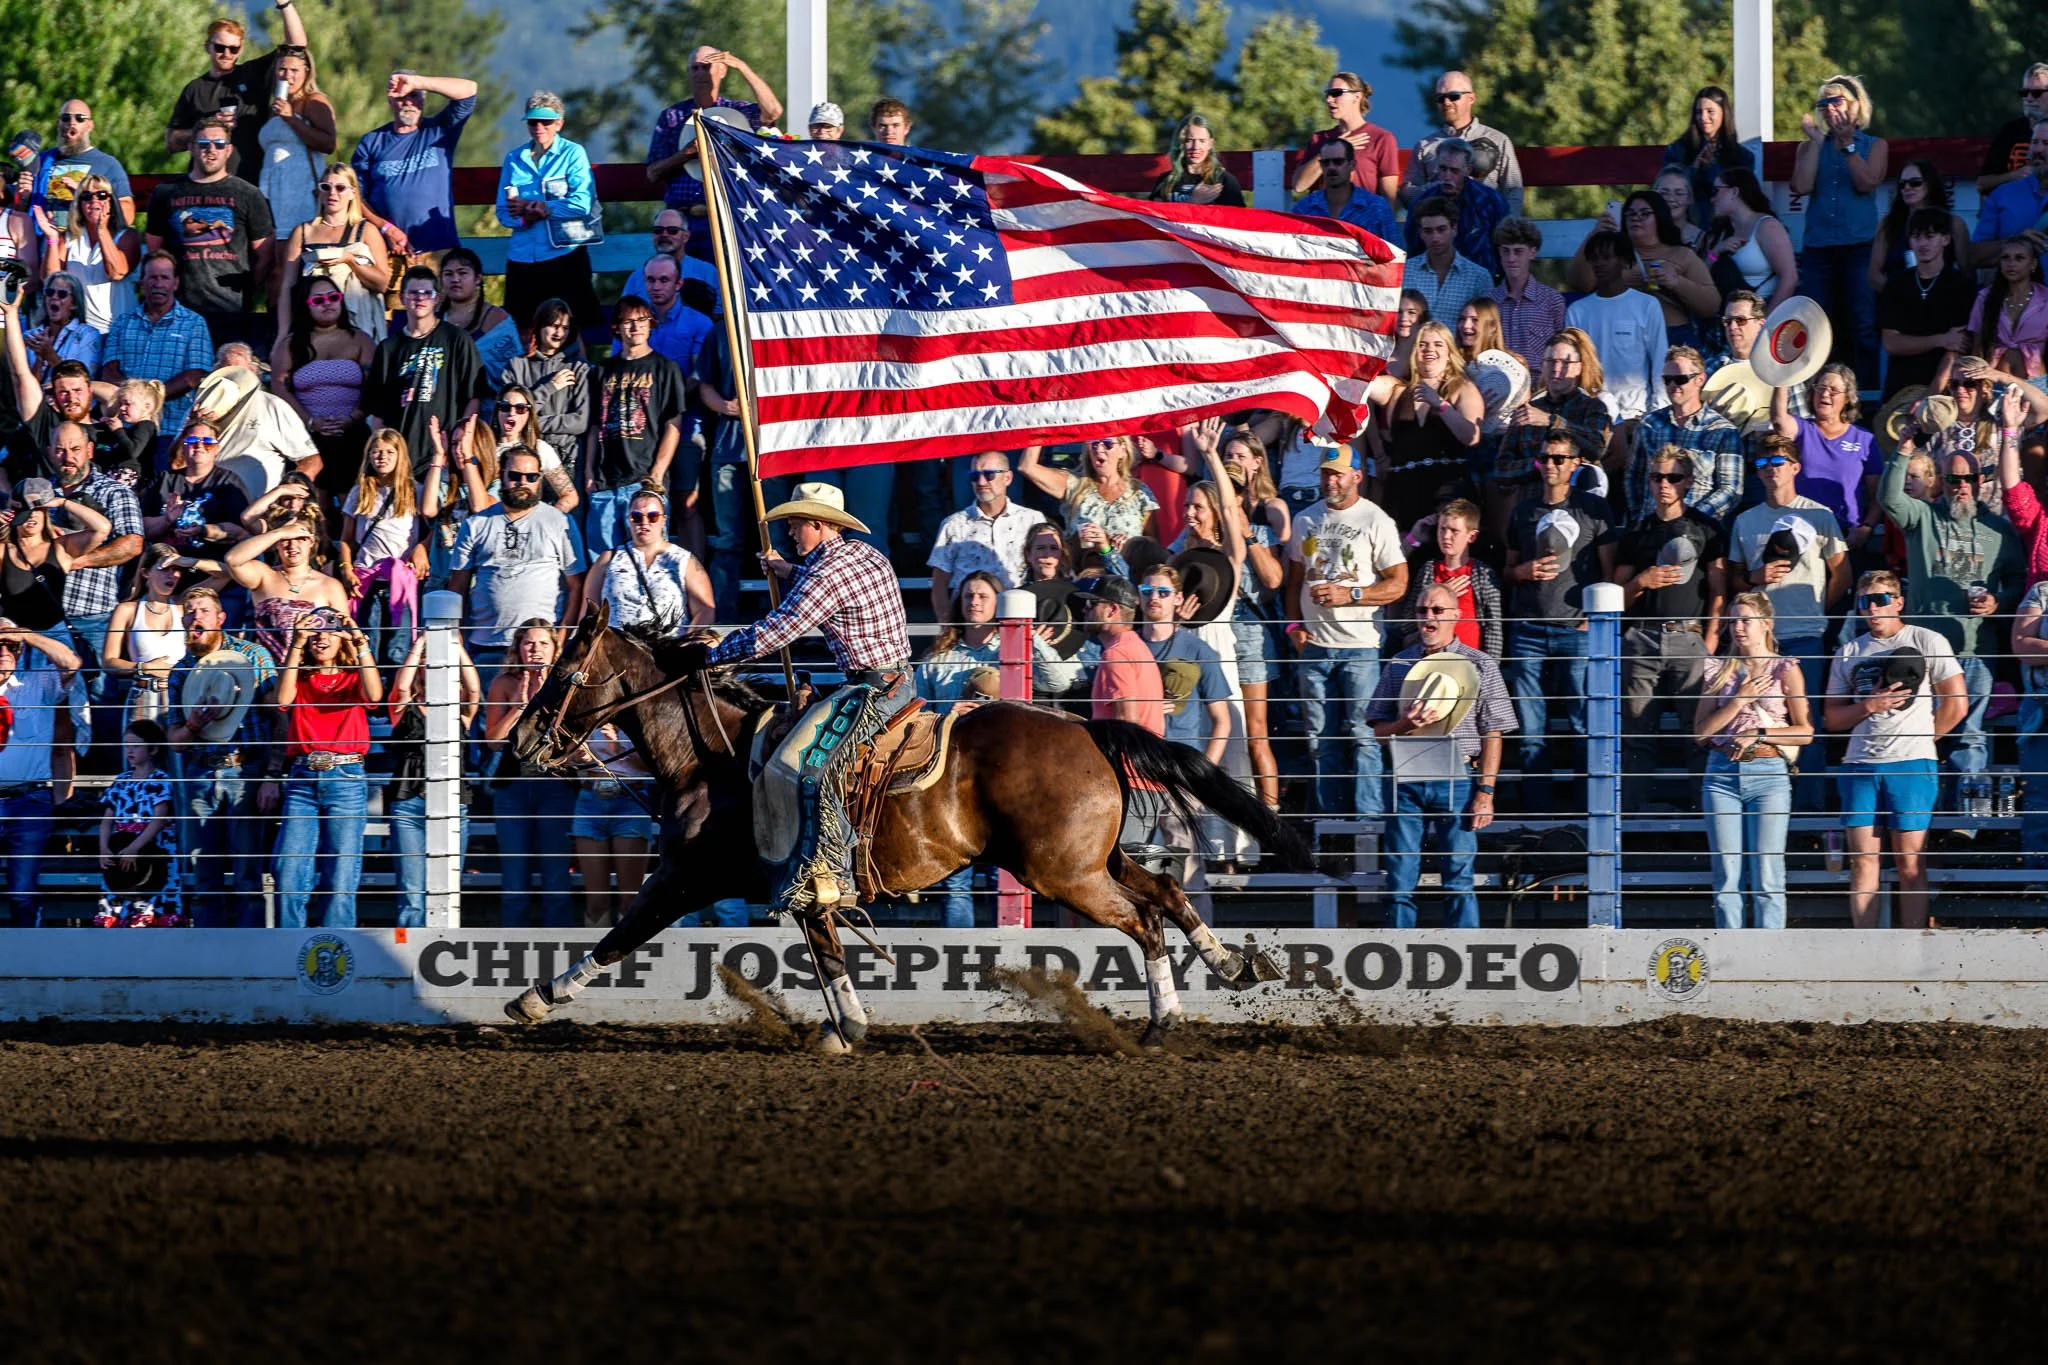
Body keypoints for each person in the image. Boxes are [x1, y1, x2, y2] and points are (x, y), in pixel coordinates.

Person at [663, 481, 915, 911]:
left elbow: (777, 630)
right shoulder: (861, 555)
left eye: (796, 524)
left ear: (819, 525)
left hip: (872, 689)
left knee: (805, 765)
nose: (790, 533)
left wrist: (713, 655)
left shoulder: (828, 575)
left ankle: (836, 868)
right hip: (892, 679)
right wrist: (787, 571)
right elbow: (826, 587)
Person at [1879, 438, 2024, 802]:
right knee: (1914, 731)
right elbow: (1889, 498)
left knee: (1970, 735)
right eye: (1953, 479)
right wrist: (1903, 451)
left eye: (1968, 479)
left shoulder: (1999, 530)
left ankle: (1966, 824)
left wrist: (1998, 602)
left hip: (1975, 648)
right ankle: (1919, 817)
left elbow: (2019, 582)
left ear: (1980, 482)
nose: (1961, 486)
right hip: (1923, 649)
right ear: (1939, 482)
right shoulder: (1923, 516)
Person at [1367, 583, 1515, 928]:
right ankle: (1397, 953)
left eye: (1437, 611)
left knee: (1459, 877)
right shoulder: (1399, 663)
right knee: (1400, 877)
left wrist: (1486, 792)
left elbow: (1494, 732)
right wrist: (1406, 723)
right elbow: (1377, 731)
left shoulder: (1480, 664)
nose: (1428, 618)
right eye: (1422, 611)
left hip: (1459, 775)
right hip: (1407, 776)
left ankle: (1465, 957)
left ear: (1456, 616)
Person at [1826, 571, 1966, 928]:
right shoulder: (1849, 650)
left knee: (1910, 863)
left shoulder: (1926, 640)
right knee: (1863, 862)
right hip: (1860, 764)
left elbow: (1956, 703)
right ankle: (1866, 950)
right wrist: (1868, 707)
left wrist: (1921, 740)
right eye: (1864, 602)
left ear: (1899, 601)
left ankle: (1912, 952)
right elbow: (1832, 718)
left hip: (1911, 764)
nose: (1873, 608)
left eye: (1881, 599)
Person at [1284, 446, 1406, 819]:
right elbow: (1295, 581)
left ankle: (1368, 825)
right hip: (1315, 645)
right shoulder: (1305, 520)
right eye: (1325, 473)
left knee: (1363, 736)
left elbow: (1398, 582)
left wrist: (1352, 594)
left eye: (1337, 474)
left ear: (1357, 475)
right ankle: (1329, 827)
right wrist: (1292, 627)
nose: (1330, 480)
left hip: (1360, 647)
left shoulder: (1376, 519)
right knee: (1320, 739)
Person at [1504, 430, 1616, 815]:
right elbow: (1508, 570)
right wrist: (1523, 570)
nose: (1550, 464)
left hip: (1576, 629)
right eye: (1545, 457)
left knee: (1584, 725)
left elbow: (1610, 573)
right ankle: (1538, 816)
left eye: (1559, 458)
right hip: (1528, 629)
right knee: (1531, 732)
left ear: (1574, 464)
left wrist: (1592, 620)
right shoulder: (1522, 509)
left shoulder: (1594, 510)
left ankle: (1592, 811)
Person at [1611, 445, 1729, 807]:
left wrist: (1710, 638)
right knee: (1635, 731)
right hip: (1642, 635)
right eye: (1657, 477)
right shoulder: (1637, 531)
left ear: (1689, 482)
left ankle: (1703, 813)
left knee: (1698, 730)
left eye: (1673, 477)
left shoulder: (1706, 529)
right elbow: (1616, 597)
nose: (1664, 484)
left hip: (1689, 636)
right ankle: (1630, 819)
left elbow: (1719, 590)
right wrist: (1641, 582)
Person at [1693, 593, 1811, 929]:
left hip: (1768, 771)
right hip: (1721, 774)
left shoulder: (1784, 669)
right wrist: (1738, 701)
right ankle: (1731, 953)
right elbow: (1700, 732)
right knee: (1727, 874)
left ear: (1766, 624)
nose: (1738, 627)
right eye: (1733, 620)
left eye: (1745, 619)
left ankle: (1768, 959)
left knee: (1768, 872)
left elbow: (1805, 732)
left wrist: (1759, 731)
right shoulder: (1718, 668)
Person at [163, 585, 278, 927]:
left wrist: (272, 775)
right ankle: (208, 960)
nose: (195, 616)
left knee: (247, 874)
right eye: (190, 611)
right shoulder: (181, 671)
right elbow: (175, 740)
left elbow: (279, 717)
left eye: (203, 610)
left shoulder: (253, 656)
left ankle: (251, 958)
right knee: (204, 875)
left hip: (246, 770)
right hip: (201, 775)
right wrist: (194, 725)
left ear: (220, 618)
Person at [272, 609, 380, 928]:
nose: (322, 637)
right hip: (303, 779)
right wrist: (297, 641)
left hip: (345, 778)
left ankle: (338, 955)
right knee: (289, 871)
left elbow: (374, 695)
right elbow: (281, 699)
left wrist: (358, 639)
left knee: (342, 874)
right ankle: (288, 949)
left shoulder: (353, 675)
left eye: (331, 632)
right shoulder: (300, 678)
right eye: (316, 633)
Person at [1731, 431, 1851, 712]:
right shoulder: (1744, 521)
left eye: (1777, 461)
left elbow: (1843, 575)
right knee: (1759, 717)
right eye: (1762, 464)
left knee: (1806, 720)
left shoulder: (1820, 515)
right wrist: (1753, 578)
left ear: (1795, 468)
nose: (1770, 469)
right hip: (1758, 639)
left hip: (1804, 634)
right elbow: (1733, 580)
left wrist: (1818, 608)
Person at [143, 116, 275, 348]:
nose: (211, 150)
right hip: (178, 311)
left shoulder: (249, 194)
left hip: (231, 310)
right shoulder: (165, 193)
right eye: (204, 144)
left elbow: (264, 253)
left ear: (229, 150)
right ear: (192, 148)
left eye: (219, 144)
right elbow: (155, 250)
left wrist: (247, 287)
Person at [1790, 75, 1887, 388]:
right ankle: (1813, 392)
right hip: (1819, 249)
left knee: (1861, 323)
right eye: (1824, 103)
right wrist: (1819, 143)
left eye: (1837, 101)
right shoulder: (1811, 147)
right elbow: (1801, 186)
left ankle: (1868, 395)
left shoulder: (1875, 145)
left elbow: (1867, 182)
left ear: (1856, 105)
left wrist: (1847, 147)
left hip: (1859, 248)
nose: (1830, 109)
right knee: (1815, 324)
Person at [447, 446, 584, 664]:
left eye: (531, 477)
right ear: (502, 475)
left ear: (540, 479)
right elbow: (457, 586)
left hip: (541, 646)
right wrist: (456, 637)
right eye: (514, 475)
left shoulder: (560, 522)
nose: (523, 483)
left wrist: (562, 637)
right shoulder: (475, 524)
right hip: (485, 645)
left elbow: (576, 585)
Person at [481, 619, 577, 927]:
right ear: (518, 649)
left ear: (555, 649)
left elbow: (576, 740)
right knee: (514, 878)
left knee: (556, 877)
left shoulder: (567, 684)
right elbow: (494, 741)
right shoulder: (504, 683)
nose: (535, 650)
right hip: (513, 788)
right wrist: (518, 707)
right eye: (528, 643)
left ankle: (561, 949)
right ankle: (511, 948)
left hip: (556, 786)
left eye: (543, 644)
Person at [384, 627, 480, 927]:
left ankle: (443, 949)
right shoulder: (404, 706)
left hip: (453, 803)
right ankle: (407, 955)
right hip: (409, 802)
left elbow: (474, 687)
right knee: (412, 891)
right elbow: (402, 686)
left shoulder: (460, 709)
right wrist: (422, 643)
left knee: (448, 889)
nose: (434, 664)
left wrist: (454, 646)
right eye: (428, 660)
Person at [644, 46, 782, 250]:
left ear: (722, 71)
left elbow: (772, 112)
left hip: (729, 219)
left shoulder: (738, 112)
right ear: (689, 74)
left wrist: (742, 67)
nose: (701, 73)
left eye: (707, 67)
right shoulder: (672, 117)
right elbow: (653, 173)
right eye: (695, 68)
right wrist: (686, 154)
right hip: (683, 223)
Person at [585, 296, 687, 557]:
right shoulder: (601, 371)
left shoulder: (666, 369)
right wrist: (588, 471)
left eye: (642, 320)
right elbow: (595, 426)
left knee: (650, 560)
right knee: (602, 561)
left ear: (651, 324)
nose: (636, 327)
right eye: (628, 321)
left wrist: (657, 473)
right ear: (616, 327)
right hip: (605, 482)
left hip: (645, 481)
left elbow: (673, 424)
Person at [494, 92, 601, 336]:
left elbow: (582, 203)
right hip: (523, 257)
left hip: (565, 254)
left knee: (571, 331)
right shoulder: (513, 159)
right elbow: (503, 211)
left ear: (559, 123)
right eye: (533, 122)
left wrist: (544, 209)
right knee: (523, 331)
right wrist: (525, 217)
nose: (539, 127)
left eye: (546, 121)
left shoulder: (574, 153)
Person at [1491, 329, 1613, 542]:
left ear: (1579, 368)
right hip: (1533, 511)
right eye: (1550, 361)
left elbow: (1597, 446)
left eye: (1566, 363)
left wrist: (1552, 421)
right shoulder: (1526, 411)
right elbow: (1501, 469)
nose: (1557, 369)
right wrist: (1540, 465)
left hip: (1579, 514)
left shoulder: (1593, 407)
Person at [350, 70, 480, 267]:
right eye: (401, 97)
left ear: (423, 99)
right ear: (391, 101)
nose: (408, 103)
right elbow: (356, 196)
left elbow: (469, 90)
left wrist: (418, 82)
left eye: (414, 96)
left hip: (439, 251)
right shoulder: (372, 141)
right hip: (390, 252)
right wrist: (386, 229)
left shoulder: (439, 130)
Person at [364, 265, 485, 473]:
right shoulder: (388, 348)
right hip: (400, 457)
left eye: (427, 293)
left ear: (437, 298)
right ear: (402, 298)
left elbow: (474, 396)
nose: (419, 298)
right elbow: (377, 412)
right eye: (412, 293)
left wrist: (461, 440)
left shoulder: (456, 339)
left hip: (443, 452)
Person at [0, 620, 82, 925]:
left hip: (28, 801)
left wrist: (24, 634)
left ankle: (27, 958)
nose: (5, 651)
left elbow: (71, 662)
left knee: (22, 893)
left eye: (11, 646)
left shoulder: (37, 684)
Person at [1366, 321, 1482, 535]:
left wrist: (1440, 404)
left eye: (1438, 344)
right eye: (1422, 344)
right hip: (1402, 492)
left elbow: (1471, 437)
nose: (1430, 349)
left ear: (1449, 352)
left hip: (1446, 492)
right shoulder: (1398, 389)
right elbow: (1362, 384)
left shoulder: (1462, 388)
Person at [165, 6, 311, 174]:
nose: (227, 54)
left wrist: (284, 4)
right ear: (208, 47)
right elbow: (171, 142)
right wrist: (206, 128)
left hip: (250, 181)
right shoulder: (194, 88)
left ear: (240, 49)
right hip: (205, 183)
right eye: (220, 48)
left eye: (233, 49)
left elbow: (297, 44)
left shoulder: (253, 73)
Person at [1567, 191, 1719, 347]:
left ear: (1660, 217)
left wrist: (1676, 282)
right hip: (1619, 336)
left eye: (1644, 213)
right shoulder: (1610, 255)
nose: (1635, 218)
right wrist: (1594, 235)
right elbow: (1579, 283)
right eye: (1630, 213)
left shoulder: (1682, 255)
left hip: (1672, 337)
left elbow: (1711, 305)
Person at [271, 273, 372, 498]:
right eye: (318, 300)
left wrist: (354, 417)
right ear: (305, 306)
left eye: (332, 297)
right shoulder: (290, 344)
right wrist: (310, 421)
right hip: (307, 437)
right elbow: (279, 388)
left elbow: (374, 386)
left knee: (353, 501)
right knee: (316, 504)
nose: (327, 303)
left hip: (353, 434)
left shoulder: (360, 339)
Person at [1769, 364, 1882, 558]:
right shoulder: (1803, 430)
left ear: (1848, 398)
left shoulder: (1864, 439)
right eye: (1820, 388)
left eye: (1834, 390)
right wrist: (1782, 378)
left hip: (1846, 537)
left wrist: (1866, 528)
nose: (1825, 394)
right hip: (1801, 532)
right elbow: (1779, 420)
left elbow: (1877, 495)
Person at [99, 252, 214, 437]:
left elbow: (195, 375)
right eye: (152, 277)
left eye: (164, 278)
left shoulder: (194, 323)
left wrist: (150, 400)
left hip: (172, 427)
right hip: (125, 428)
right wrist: (134, 402)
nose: (158, 284)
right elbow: (109, 372)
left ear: (175, 283)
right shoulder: (122, 323)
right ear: (142, 282)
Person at [1624, 344, 1742, 521]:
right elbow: (1634, 476)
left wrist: (1692, 518)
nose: (1673, 385)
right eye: (1667, 379)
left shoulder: (1722, 430)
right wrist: (1638, 516)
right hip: (1652, 527)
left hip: (1698, 530)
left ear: (1700, 379)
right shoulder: (1648, 424)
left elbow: (1730, 490)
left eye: (1680, 379)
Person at [278, 164, 390, 342]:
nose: (332, 193)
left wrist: (350, 260)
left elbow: (382, 283)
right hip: (312, 325)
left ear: (353, 193)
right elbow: (287, 286)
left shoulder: (367, 230)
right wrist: (283, 333)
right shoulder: (302, 231)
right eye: (326, 187)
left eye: (340, 188)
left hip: (356, 326)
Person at [1567, 230, 1667, 426]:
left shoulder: (1647, 305)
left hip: (1636, 415)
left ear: (1623, 260)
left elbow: (1660, 361)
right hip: (1590, 416)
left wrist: (1656, 416)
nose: (1599, 263)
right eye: (1594, 258)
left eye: (1606, 257)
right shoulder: (1577, 311)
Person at [338, 428, 422, 663]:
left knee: (398, 649)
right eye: (376, 452)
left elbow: (429, 529)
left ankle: (395, 698)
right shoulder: (360, 491)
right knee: (367, 646)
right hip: (367, 580)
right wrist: (346, 568)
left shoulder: (415, 490)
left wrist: (420, 549)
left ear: (400, 456)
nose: (382, 457)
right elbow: (347, 538)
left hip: (399, 580)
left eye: (388, 452)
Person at [586, 483, 714, 636]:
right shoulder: (607, 559)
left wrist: (687, 643)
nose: (644, 522)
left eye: (653, 516)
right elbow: (588, 611)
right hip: (618, 652)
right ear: (629, 519)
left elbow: (705, 609)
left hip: (667, 650)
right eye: (636, 517)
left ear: (663, 519)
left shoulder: (684, 560)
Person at [1877, 209, 1977, 399]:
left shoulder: (1961, 284)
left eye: (1930, 236)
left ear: (1945, 239)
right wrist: (1940, 339)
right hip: (1898, 390)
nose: (1922, 243)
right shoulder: (1896, 284)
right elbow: (1891, 343)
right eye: (1916, 237)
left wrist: (1930, 397)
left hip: (1945, 393)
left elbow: (1955, 348)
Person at [927, 451, 1039, 620]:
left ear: (1007, 478)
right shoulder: (953, 524)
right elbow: (939, 584)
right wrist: (947, 627)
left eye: (989, 475)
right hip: (969, 623)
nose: (981, 482)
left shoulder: (1032, 519)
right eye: (974, 476)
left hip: (1017, 620)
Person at [94, 719, 182, 927]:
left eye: (136, 745)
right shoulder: (121, 780)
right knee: (120, 888)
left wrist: (136, 847)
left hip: (151, 849)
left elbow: (159, 818)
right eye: (127, 745)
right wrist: (104, 848)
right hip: (122, 847)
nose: (130, 750)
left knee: (151, 893)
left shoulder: (160, 780)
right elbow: (108, 818)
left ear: (152, 749)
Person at [1017, 437, 1160, 562]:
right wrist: (1039, 426)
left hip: (1125, 576)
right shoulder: (1075, 485)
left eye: (1107, 444)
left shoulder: (1139, 492)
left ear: (1122, 450)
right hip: (1082, 574)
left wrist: (1132, 543)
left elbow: (1153, 542)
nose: (1099, 449)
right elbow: (1026, 467)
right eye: (1094, 443)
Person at [1402, 70, 1523, 214]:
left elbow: (1513, 190)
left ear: (1471, 98)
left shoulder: (1498, 140)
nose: (1446, 102)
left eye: (1454, 96)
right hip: (1440, 228)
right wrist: (1437, 188)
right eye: (1440, 98)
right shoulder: (1424, 146)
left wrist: (1504, 224)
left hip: (1485, 223)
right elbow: (1408, 193)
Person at [1397, 498, 1503, 658]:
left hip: (1470, 663)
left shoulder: (1482, 574)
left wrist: (1489, 667)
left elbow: (1493, 629)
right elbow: (1408, 624)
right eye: (1442, 529)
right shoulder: (1428, 571)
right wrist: (1442, 595)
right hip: (1429, 660)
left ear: (1472, 536)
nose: (1446, 536)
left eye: (1454, 531)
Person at [103, 545, 194, 722]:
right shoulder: (127, 610)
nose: (172, 575)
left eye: (176, 569)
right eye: (165, 568)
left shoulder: (183, 606)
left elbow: (224, 573)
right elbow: (108, 662)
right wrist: (144, 667)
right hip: (142, 694)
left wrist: (188, 562)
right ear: (146, 573)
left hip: (180, 694)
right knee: (138, 749)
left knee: (178, 749)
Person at [36, 175, 137, 335]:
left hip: (117, 329)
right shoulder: (69, 237)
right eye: (86, 196)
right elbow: (51, 279)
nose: (94, 201)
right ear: (79, 204)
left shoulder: (126, 236)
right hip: (79, 331)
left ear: (112, 201)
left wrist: (102, 230)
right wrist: (52, 238)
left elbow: (116, 272)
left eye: (102, 195)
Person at [255, 44, 335, 243]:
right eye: (282, 69)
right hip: (272, 191)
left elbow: (328, 144)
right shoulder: (274, 107)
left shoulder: (314, 101)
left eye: (294, 70)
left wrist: (292, 118)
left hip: (299, 192)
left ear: (306, 72)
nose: (287, 76)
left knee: (289, 255)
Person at [1402, 139, 1507, 277]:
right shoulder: (1422, 203)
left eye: (1454, 171)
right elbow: (1413, 248)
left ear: (1467, 170)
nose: (1447, 176)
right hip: (1433, 279)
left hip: (1481, 280)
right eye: (1443, 169)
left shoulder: (1489, 200)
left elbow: (1504, 244)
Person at [505, 299, 592, 463]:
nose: (559, 333)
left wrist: (531, 422)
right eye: (553, 326)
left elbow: (581, 421)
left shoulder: (580, 367)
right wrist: (550, 387)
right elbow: (510, 415)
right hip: (525, 458)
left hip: (568, 458)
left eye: (565, 328)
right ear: (539, 326)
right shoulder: (516, 366)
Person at [1292, 72, 1401, 203]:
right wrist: (1330, 151)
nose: (1329, 99)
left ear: (1357, 96)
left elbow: (1389, 196)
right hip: (1325, 220)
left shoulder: (1382, 138)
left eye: (1336, 93)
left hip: (1363, 219)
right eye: (1327, 94)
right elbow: (1299, 185)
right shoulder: (1319, 139)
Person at [1702, 168, 1798, 315]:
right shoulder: (1719, 233)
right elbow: (1702, 277)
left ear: (1734, 192)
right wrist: (1716, 252)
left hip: (1760, 314)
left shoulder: (1767, 226)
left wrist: (1765, 320)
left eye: (1716, 191)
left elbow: (1789, 278)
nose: (1711, 199)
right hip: (1728, 319)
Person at [1870, 159, 1972, 297]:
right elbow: (1874, 275)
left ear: (1930, 184)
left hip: (1942, 300)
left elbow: (1966, 272)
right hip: (1898, 302)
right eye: (1902, 184)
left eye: (1915, 183)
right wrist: (1902, 296)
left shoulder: (1954, 224)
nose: (1907, 188)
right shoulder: (1888, 224)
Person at [1662, 86, 1754, 232]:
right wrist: (1695, 167)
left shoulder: (1741, 156)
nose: (1703, 118)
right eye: (1699, 112)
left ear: (1724, 113)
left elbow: (1744, 197)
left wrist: (1712, 169)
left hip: (1726, 228)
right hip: (1685, 227)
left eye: (1710, 112)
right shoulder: (1677, 150)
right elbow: (1667, 186)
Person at [34, 100, 136, 228]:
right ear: (58, 123)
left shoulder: (108, 164)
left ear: (90, 125)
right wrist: (23, 197)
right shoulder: (41, 160)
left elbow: (127, 215)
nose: (72, 122)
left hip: (85, 242)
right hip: (44, 240)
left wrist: (86, 195)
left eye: (80, 118)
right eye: (66, 118)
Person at [1964, 235, 2048, 381]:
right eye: (2005, 258)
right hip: (1993, 382)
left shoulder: (2045, 298)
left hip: (2036, 385)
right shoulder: (1985, 298)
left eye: (2019, 258)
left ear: (2033, 264)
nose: (2011, 263)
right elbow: (1977, 349)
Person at [486, 382, 579, 513]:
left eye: (520, 408)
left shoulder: (540, 448)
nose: (512, 413)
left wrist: (548, 519)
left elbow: (570, 496)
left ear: (529, 414)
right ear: (497, 411)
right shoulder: (483, 446)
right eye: (505, 407)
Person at [1402, 197, 1493, 323]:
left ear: (1454, 229)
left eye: (1441, 229)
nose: (1435, 238)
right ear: (1421, 233)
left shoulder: (1478, 277)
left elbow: (1486, 327)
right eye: (1428, 231)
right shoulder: (1404, 272)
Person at [1490, 219, 1565, 372]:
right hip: (1498, 386)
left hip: (1540, 387)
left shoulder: (1551, 300)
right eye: (1506, 251)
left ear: (1532, 252)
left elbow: (1561, 349)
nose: (1511, 258)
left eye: (1518, 251)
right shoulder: (1490, 302)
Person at [439, 246, 521, 386]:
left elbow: (515, 371)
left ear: (477, 278)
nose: (455, 279)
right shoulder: (434, 320)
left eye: (462, 273)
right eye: (448, 274)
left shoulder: (497, 319)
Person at [1292, 140, 1393, 242]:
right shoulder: (1304, 209)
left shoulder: (1376, 207)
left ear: (1352, 165)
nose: (1331, 167)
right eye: (1326, 163)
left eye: (1338, 162)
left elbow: (1396, 253)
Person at [621, 210, 719, 303]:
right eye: (658, 230)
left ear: (686, 236)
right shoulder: (637, 278)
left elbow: (722, 314)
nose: (664, 235)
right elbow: (624, 316)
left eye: (672, 230)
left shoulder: (707, 272)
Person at [1981, 66, 2048, 194]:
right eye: (2024, 93)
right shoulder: (2011, 131)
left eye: (2036, 93)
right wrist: (2012, 176)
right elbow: (1982, 183)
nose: (2028, 98)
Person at [1152, 114, 1245, 207]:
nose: (1195, 147)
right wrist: (1192, 201)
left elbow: (1238, 219)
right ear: (1181, 143)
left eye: (1202, 141)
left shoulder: (1224, 181)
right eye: (1189, 140)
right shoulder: (1166, 181)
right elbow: (1153, 218)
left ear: (1210, 144)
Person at [23, 270, 100, 379]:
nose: (54, 297)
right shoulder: (30, 336)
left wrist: (51, 356)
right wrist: (39, 359)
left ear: (74, 304)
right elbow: (24, 386)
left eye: (62, 294)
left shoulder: (88, 335)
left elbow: (82, 382)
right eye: (50, 292)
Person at [1651, 168, 1706, 251]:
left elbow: (1711, 261)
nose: (1671, 199)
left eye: (1679, 193)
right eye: (1664, 193)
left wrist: (1714, 253)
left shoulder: (1701, 237)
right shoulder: (1644, 232)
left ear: (1689, 199)